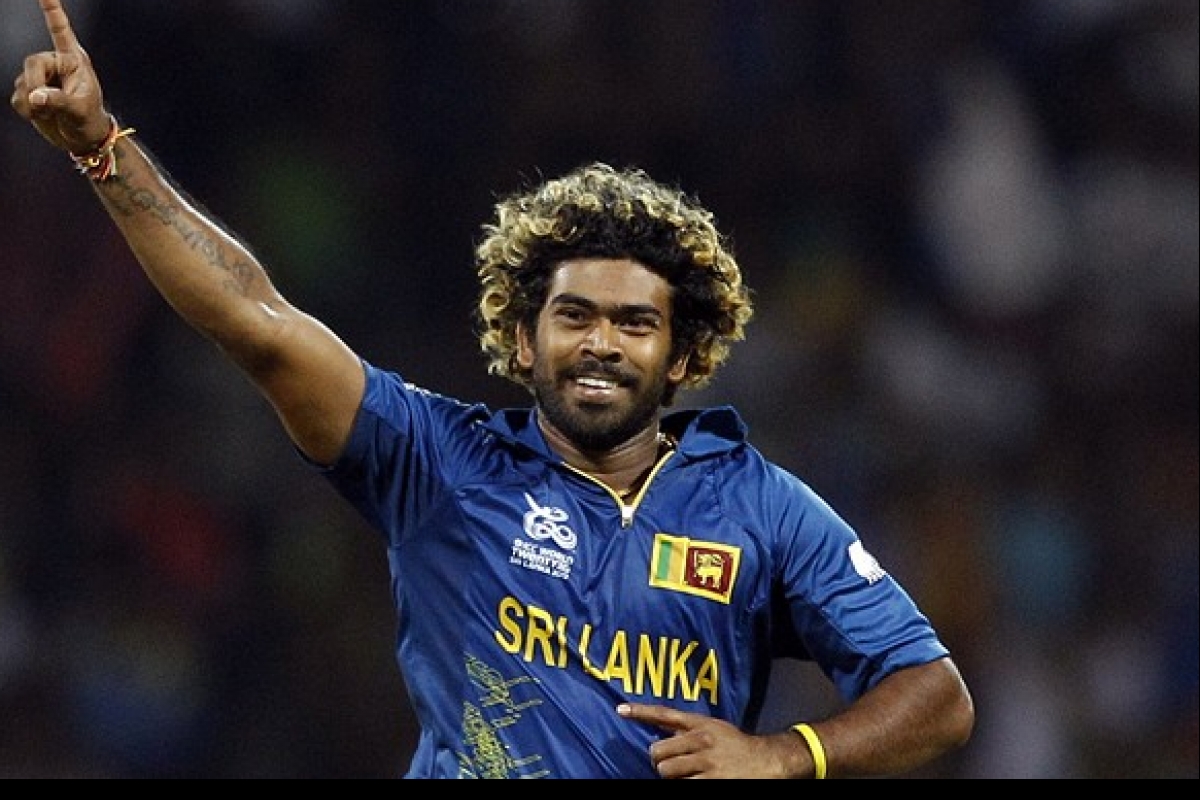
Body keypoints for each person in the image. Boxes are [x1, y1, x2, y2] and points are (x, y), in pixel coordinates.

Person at [11, 0, 974, 780]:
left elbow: (935, 696)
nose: (602, 344)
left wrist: (784, 755)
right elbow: (254, 319)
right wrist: (103, 150)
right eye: (574, 316)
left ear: (684, 357)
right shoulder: (437, 461)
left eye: (636, 324)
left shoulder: (763, 509)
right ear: (522, 338)